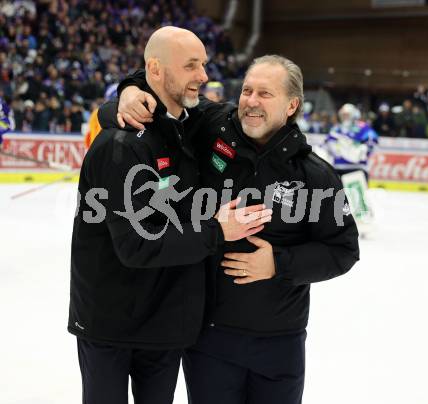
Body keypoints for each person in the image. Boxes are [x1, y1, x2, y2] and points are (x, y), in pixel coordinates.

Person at [100, 53, 360, 404]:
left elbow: (343, 250)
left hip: (279, 342)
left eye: (265, 94)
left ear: (292, 105)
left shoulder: (316, 175)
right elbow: (167, 82)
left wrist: (279, 263)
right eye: (247, 90)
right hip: (208, 341)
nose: (251, 102)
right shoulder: (212, 126)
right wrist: (130, 88)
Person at [68, 27, 271, 404]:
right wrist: (216, 231)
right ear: (157, 70)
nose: (204, 76)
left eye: (204, 65)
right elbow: (136, 245)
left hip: (164, 326)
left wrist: (127, 89)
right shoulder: (120, 144)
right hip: (109, 324)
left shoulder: (189, 126)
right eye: (191, 66)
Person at [325, 103, 378, 180]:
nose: (345, 117)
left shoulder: (363, 127)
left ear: (353, 115)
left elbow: (372, 141)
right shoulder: (336, 129)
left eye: (347, 114)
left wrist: (362, 151)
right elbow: (328, 145)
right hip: (338, 168)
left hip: (358, 168)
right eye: (343, 115)